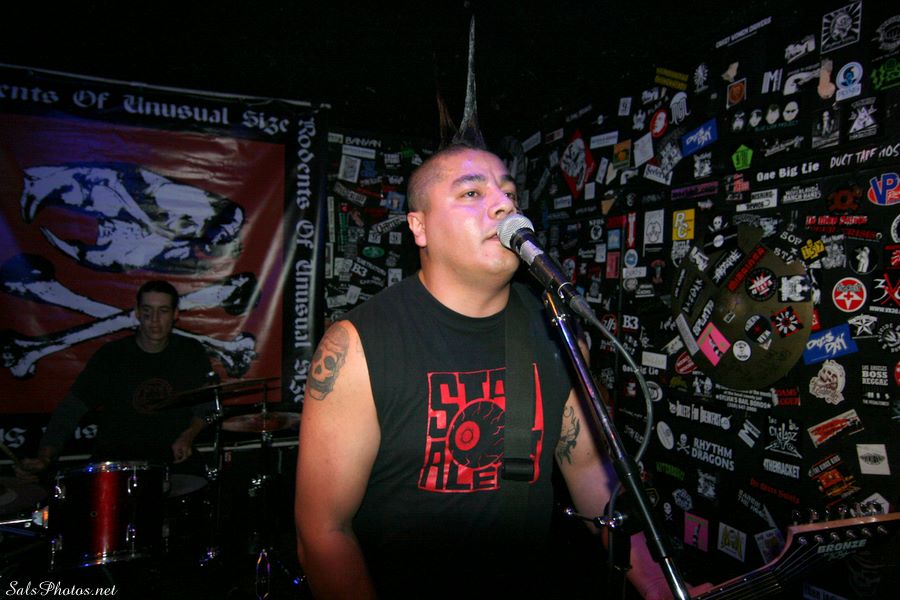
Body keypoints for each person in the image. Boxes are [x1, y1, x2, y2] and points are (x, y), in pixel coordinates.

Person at [295, 144, 689, 599]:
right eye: (472, 193)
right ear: (419, 227)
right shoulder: (358, 345)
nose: (504, 205)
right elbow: (323, 532)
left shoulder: (556, 331)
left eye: (509, 193)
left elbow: (591, 477)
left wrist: (660, 588)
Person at [15, 279, 215, 481]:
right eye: (147, 311)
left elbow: (208, 407)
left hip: (173, 463)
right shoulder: (111, 356)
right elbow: (71, 409)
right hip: (116, 464)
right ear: (137, 313)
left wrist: (188, 435)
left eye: (163, 311)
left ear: (175, 314)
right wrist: (45, 456)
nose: (154, 319)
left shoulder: (190, 352)